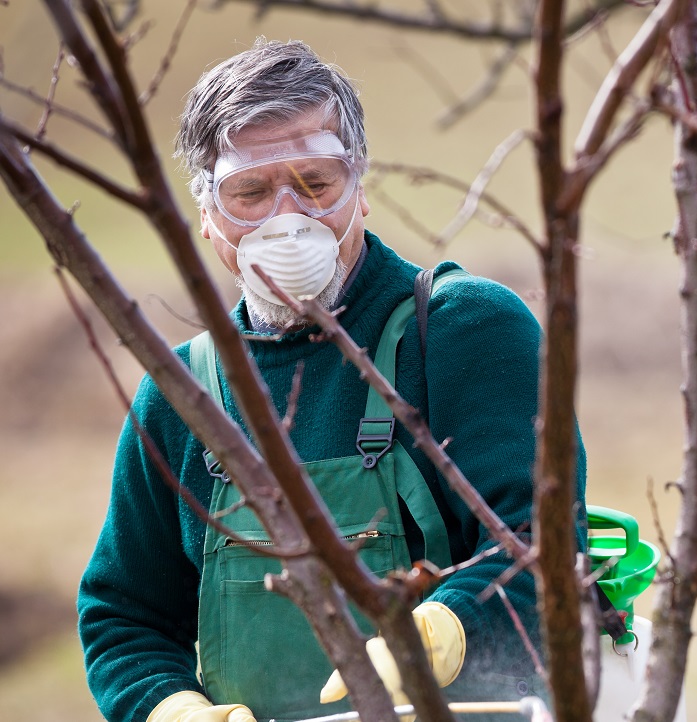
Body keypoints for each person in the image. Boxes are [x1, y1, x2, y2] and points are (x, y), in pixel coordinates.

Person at [77, 38, 586, 722]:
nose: (289, 219)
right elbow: (124, 621)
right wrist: (171, 710)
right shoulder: (181, 397)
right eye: (250, 192)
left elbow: (546, 553)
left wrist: (438, 636)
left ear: (360, 187)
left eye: (316, 183)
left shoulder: (464, 332)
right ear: (205, 215)